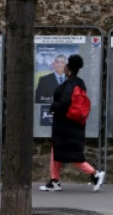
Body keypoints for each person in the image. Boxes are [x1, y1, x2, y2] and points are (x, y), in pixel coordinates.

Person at [40, 54, 105, 192]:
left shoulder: (70, 84)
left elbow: (64, 103)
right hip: (71, 123)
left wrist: (53, 106)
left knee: (72, 154)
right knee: (57, 150)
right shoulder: (78, 82)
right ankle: (54, 181)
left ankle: (95, 174)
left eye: (65, 64)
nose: (63, 67)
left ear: (69, 68)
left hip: (66, 125)